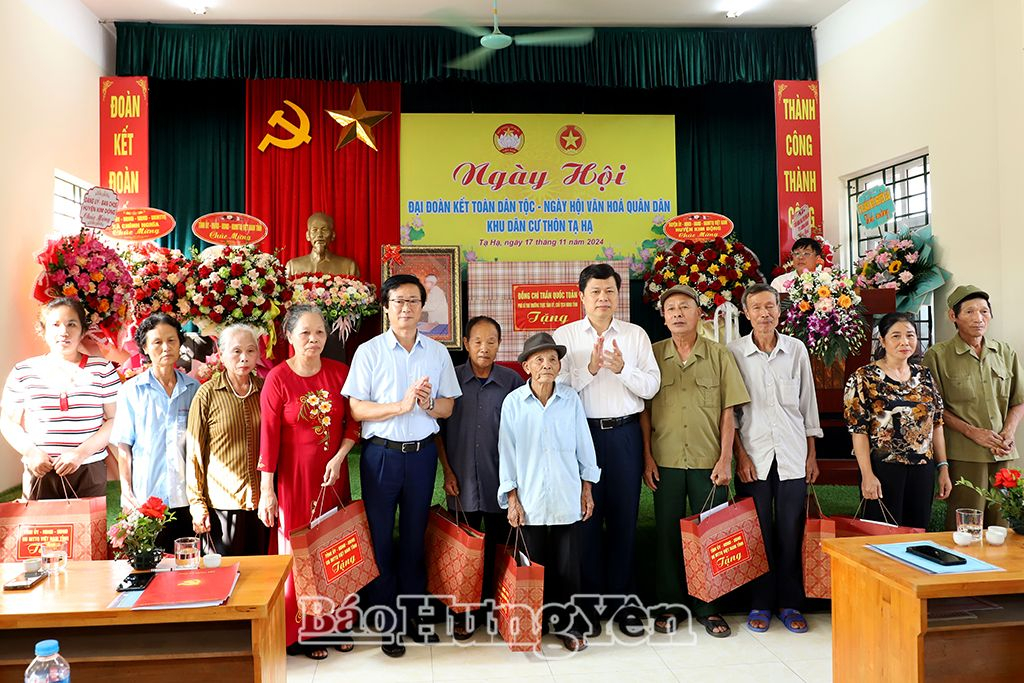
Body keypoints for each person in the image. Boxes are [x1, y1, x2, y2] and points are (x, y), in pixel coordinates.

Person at [341, 274, 461, 658]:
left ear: (422, 307)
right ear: (386, 307)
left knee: (413, 536)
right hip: (381, 455)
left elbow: (448, 406)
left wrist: (427, 404)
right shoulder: (369, 352)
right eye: (398, 301)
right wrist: (400, 406)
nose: (406, 308)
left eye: (413, 301)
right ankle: (387, 622)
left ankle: (413, 617)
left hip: (422, 455)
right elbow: (357, 409)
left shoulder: (436, 353)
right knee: (380, 538)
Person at [551, 263, 660, 637]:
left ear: (618, 294)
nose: (603, 298)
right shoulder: (565, 336)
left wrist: (623, 369)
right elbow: (555, 390)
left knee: (623, 522)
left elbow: (651, 387)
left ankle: (623, 604)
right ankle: (586, 608)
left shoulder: (635, 335)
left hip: (624, 437)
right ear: (581, 296)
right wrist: (591, 369)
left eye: (609, 291)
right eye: (595, 291)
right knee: (584, 522)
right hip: (580, 437)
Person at [641, 284, 749, 638]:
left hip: (708, 462)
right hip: (666, 460)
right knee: (669, 537)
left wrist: (725, 459)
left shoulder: (719, 355)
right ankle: (671, 606)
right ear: (663, 317)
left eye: (684, 307)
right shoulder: (653, 355)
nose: (677, 313)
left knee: (711, 536)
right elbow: (644, 411)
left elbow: (729, 411)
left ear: (699, 314)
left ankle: (710, 607)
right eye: (671, 308)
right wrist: (647, 457)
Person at [258, 304, 360, 661]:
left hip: (333, 478)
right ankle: (302, 631)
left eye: (319, 332)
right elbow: (269, 438)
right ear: (289, 336)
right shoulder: (277, 379)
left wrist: (340, 456)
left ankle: (338, 625)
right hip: (294, 482)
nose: (313, 339)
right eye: (305, 333)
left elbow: (353, 423)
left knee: (336, 547)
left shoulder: (339, 373)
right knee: (299, 553)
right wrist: (267, 491)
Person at [728, 284, 822, 634]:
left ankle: (790, 603)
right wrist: (739, 455)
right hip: (754, 455)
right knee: (757, 534)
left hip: (793, 455)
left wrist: (812, 455)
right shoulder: (734, 352)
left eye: (770, 306)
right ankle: (760, 603)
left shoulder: (795, 349)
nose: (764, 313)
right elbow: (732, 413)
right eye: (757, 307)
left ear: (780, 311)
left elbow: (807, 404)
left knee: (790, 532)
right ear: (746, 313)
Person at [498, 332, 601, 652]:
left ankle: (570, 627)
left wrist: (587, 488)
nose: (547, 365)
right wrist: (512, 499)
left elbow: (584, 444)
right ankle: (532, 627)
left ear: (559, 366)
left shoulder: (570, 400)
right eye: (539, 359)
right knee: (532, 567)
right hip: (529, 500)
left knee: (569, 568)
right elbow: (506, 452)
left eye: (553, 359)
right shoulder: (513, 403)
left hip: (565, 496)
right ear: (526, 366)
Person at [437, 315, 524, 639]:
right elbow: (437, 430)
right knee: (465, 552)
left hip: (501, 481)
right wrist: (447, 471)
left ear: (499, 345)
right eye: (477, 341)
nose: (484, 348)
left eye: (491, 341)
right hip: (461, 480)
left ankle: (499, 610)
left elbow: (523, 431)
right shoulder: (451, 380)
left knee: (501, 548)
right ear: (466, 344)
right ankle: (465, 613)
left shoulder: (512, 382)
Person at [923, 285, 1024, 529]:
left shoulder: (1005, 352)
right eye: (969, 312)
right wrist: (972, 432)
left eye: (984, 311)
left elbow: (1018, 399)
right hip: (964, 455)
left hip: (1003, 453)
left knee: (1003, 523)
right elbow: (934, 408)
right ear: (953, 316)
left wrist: (1009, 432)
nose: (978, 318)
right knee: (967, 525)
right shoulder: (937, 355)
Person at [1, 298, 119, 500]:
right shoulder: (23, 371)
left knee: (88, 522)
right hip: (40, 469)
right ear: (43, 330)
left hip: (88, 469)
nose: (64, 331)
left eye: (71, 324)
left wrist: (80, 454)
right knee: (39, 522)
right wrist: (31, 452)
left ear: (83, 331)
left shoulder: (102, 369)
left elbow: (115, 419)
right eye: (55, 325)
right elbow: (8, 422)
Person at [844, 313, 952, 529]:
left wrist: (943, 467)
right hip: (883, 470)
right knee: (882, 535)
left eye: (910, 335)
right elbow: (858, 431)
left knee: (917, 532)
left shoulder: (924, 376)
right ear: (882, 341)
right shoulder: (863, 377)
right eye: (896, 336)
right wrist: (867, 475)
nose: (905, 342)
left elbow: (937, 424)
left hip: (922, 470)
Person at [111, 314, 200, 550]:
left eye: (171, 340)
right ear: (145, 348)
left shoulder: (194, 388)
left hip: (187, 497)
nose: (166, 348)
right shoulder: (132, 391)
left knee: (189, 563)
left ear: (180, 343)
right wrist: (126, 491)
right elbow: (124, 447)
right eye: (157, 342)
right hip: (148, 498)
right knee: (152, 563)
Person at [186, 324, 268, 557]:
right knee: (227, 572)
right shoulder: (207, 394)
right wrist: (197, 504)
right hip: (223, 504)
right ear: (221, 355)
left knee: (263, 570)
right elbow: (194, 453)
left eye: (250, 351)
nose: (244, 358)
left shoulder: (265, 390)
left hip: (262, 502)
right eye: (236, 351)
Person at [284, 212, 361, 277]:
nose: (319, 235)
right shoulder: (292, 266)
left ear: (333, 235)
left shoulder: (349, 267)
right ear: (308, 235)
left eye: (324, 230)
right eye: (314, 230)